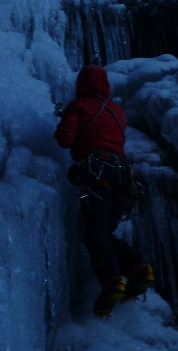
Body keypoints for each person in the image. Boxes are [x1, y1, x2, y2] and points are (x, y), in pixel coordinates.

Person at [55, 64, 154, 317]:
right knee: (103, 233)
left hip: (97, 176)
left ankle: (112, 280)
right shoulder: (117, 110)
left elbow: (64, 139)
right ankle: (137, 267)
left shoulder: (78, 107)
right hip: (123, 180)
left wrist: (65, 119)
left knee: (95, 234)